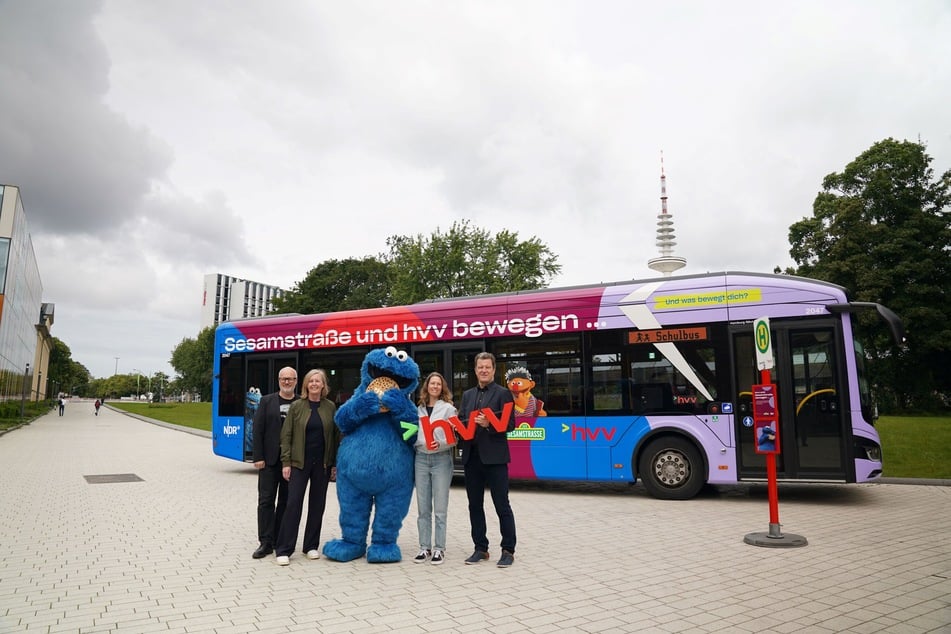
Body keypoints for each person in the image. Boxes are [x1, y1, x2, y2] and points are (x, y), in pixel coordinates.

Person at [274, 368, 340, 566]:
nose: (314, 384)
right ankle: (284, 548)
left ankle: (310, 546)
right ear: (305, 385)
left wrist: (334, 464)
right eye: (311, 381)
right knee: (293, 504)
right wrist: (286, 462)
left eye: (318, 381)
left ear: (323, 385)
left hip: (322, 464)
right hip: (298, 463)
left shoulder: (330, 407)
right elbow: (286, 436)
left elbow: (335, 438)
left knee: (317, 505)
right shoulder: (296, 406)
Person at [458, 352, 517, 568]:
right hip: (472, 458)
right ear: (475, 370)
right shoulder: (467, 395)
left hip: (495, 458)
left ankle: (508, 550)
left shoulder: (503, 394)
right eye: (480, 367)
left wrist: (488, 425)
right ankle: (480, 548)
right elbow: (464, 421)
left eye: (487, 367)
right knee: (475, 505)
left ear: (493, 370)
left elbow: (511, 424)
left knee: (502, 504)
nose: (484, 370)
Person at [250, 367, 298, 559]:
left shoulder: (300, 402)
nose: (287, 382)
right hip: (269, 461)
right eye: (283, 379)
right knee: (266, 501)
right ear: (278, 380)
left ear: (296, 381)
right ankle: (265, 542)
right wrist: (258, 457)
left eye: (290, 379)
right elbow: (258, 429)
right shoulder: (266, 401)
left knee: (286, 502)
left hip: (292, 462)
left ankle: (280, 539)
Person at [412, 372, 458, 566]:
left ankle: (439, 548)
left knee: (440, 508)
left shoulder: (448, 409)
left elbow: (455, 437)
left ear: (442, 388)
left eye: (438, 384)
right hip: (421, 458)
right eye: (432, 383)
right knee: (423, 508)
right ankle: (424, 547)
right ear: (427, 386)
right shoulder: (418, 410)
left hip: (441, 459)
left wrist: (441, 444)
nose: (435, 386)